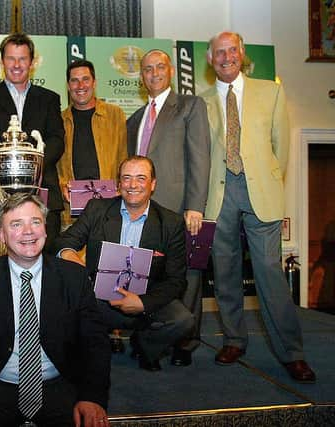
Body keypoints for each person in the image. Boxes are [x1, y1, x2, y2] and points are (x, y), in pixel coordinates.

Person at [201, 31, 315, 382]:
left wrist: (267, 182)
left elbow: (280, 147)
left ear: (242, 53)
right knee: (225, 272)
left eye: (231, 50)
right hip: (218, 194)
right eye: (219, 53)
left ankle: (291, 353)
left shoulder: (271, 91)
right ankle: (235, 339)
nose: (225, 57)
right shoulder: (199, 100)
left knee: (269, 270)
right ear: (209, 59)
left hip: (260, 192)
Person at [0, 193, 110, 427]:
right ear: (2, 236)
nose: (28, 231)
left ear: (45, 229)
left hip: (60, 383)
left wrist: (92, 397)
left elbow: (95, 341)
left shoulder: (74, 277)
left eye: (35, 222)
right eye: (16, 224)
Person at [51, 156, 193, 372]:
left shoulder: (171, 223)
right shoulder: (97, 209)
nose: (133, 185)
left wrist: (143, 303)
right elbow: (64, 241)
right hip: (98, 298)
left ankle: (145, 346)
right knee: (62, 307)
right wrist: (70, 255)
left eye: (140, 178)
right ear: (118, 184)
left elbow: (176, 281)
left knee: (182, 319)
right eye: (126, 178)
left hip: (145, 300)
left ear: (153, 184)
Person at [126, 49, 211, 367]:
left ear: (171, 70)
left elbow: (199, 158)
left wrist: (195, 206)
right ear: (142, 76)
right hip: (144, 215)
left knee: (187, 276)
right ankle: (153, 336)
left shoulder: (190, 106)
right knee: (148, 278)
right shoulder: (134, 119)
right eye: (147, 69)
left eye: (159, 67)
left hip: (180, 211)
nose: (153, 73)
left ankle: (185, 345)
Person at [0, 33, 65, 251]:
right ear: (2, 61)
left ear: (32, 63)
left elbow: (57, 140)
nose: (16, 65)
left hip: (42, 191)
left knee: (46, 261)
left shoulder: (49, 98)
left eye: (22, 59)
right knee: (1, 266)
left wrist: (31, 166)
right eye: (11, 58)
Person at [58, 59, 127, 227]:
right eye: (74, 80)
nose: (80, 85)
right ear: (68, 86)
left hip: (110, 210)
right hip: (72, 214)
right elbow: (54, 167)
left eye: (85, 79)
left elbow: (124, 157)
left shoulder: (115, 115)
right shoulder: (59, 120)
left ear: (94, 82)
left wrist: (121, 186)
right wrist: (62, 186)